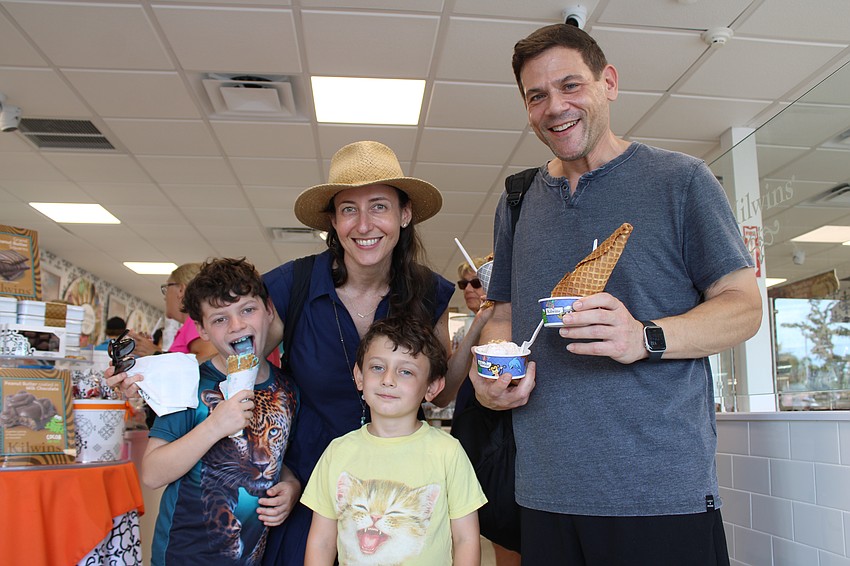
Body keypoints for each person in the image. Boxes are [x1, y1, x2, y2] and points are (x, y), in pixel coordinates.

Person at [471, 24, 762, 565]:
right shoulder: (517, 201)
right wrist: (490, 375)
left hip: (658, 495)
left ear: (608, 82)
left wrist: (643, 335)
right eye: (537, 96)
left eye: (570, 86)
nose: (555, 107)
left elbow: (744, 307)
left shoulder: (682, 182)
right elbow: (504, 313)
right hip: (544, 492)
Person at [109, 141, 473, 565]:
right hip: (302, 484)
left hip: (393, 485)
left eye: (379, 206)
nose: (364, 223)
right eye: (348, 209)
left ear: (403, 215)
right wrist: (152, 380)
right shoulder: (293, 283)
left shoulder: (429, 291)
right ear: (333, 222)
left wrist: (481, 328)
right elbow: (233, 354)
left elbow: (440, 391)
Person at [141, 257, 298, 565]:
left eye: (247, 310)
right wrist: (214, 425)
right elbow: (152, 472)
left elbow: (277, 456)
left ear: (268, 310)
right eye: (220, 319)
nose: (237, 325)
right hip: (183, 555)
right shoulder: (189, 383)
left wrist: (291, 485)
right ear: (201, 329)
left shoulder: (287, 389)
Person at [302, 317, 486, 565]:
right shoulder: (337, 452)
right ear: (359, 376)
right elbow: (322, 541)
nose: (388, 379)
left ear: (432, 387)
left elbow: (465, 539)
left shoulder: (447, 452)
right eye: (377, 367)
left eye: (406, 371)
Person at [128, 263, 219, 361]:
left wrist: (155, 353)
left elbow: (207, 358)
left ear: (181, 290)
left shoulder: (194, 321)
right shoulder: (190, 324)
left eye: (167, 287)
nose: (165, 296)